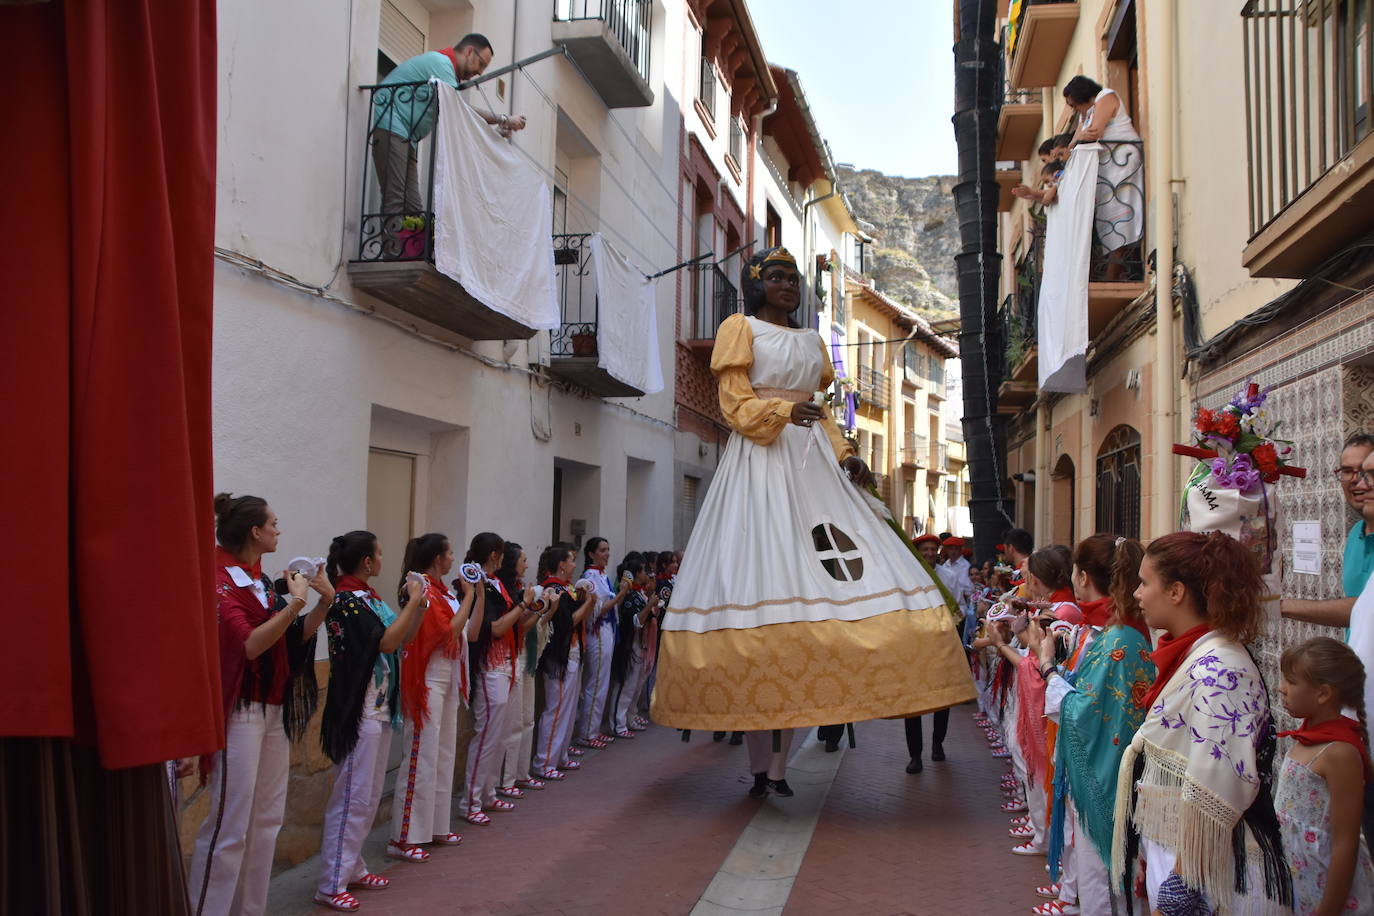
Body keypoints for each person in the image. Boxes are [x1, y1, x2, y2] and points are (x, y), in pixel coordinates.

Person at [651, 246, 975, 735]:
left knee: (849, 548)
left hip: (812, 457)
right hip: (762, 457)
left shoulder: (809, 341)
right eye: (777, 276)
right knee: (765, 549)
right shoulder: (740, 329)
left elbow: (821, 410)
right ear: (757, 284)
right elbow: (735, 405)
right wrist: (782, 413)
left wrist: (848, 454)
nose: (788, 284)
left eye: (794, 277)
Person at [1111, 531, 1291, 915]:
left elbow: (1220, 783)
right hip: (1191, 860)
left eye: (1145, 583)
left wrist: (1182, 888)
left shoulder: (1220, 668)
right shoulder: (1198, 654)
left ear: (1176, 592)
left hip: (1215, 876)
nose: (1138, 595)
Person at [190, 494, 331, 916]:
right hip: (241, 711)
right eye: (274, 523)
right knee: (229, 825)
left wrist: (322, 601)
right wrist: (297, 603)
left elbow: (289, 637)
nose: (278, 530)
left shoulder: (256, 579)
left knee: (267, 820)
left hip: (270, 706)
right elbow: (250, 645)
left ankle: (249, 909)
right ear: (255, 531)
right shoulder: (219, 579)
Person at [1031, 534, 1153, 916]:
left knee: (1100, 874)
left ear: (1083, 577)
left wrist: (1047, 663)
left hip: (1106, 776)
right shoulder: (1123, 630)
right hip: (1113, 768)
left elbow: (1081, 710)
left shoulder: (1118, 638)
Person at [314, 531, 427, 912]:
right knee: (352, 797)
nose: (382, 559)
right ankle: (331, 881)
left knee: (366, 796)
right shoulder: (346, 602)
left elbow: (403, 636)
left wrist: (420, 605)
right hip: (358, 708)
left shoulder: (369, 599)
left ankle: (352, 867)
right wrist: (412, 602)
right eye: (378, 554)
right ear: (366, 562)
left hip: (377, 708)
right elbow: (386, 643)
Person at [370, 34, 528, 246]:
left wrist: (494, 133)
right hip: (392, 126)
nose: (479, 72)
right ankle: (393, 257)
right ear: (469, 51)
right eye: (481, 63)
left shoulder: (446, 72)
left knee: (414, 207)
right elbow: (459, 111)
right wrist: (503, 119)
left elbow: (459, 119)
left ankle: (410, 254)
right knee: (396, 200)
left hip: (406, 137)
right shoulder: (442, 63)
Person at [389, 533, 477, 862]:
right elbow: (447, 631)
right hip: (427, 677)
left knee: (442, 754)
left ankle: (435, 825)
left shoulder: (443, 590)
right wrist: (469, 597)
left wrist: (470, 596)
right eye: (450, 552)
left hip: (448, 675)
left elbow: (466, 632)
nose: (454, 558)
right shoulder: (420, 586)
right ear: (437, 557)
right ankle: (403, 836)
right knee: (421, 756)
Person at [1274, 637, 1374, 916]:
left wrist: (1328, 909)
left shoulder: (1339, 753)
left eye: (1290, 682)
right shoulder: (1306, 738)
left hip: (1328, 890)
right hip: (1301, 882)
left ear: (1322, 694)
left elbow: (1346, 841)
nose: (1280, 688)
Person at [463, 533, 534, 825]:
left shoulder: (494, 584)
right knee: (488, 735)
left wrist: (531, 609)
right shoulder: (481, 584)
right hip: (491, 667)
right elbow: (494, 628)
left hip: (506, 664)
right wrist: (522, 605)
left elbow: (510, 625)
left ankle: (488, 792)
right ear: (494, 555)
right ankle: (471, 800)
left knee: (501, 733)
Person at [1284, 433, 1374, 631]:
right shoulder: (1355, 535)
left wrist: (1276, 606)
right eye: (1347, 471)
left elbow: (1365, 609)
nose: (1357, 481)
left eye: (1366, 472)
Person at [1062, 75, 1143, 281]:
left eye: (1074, 104)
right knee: (1108, 219)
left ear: (1083, 97)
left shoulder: (1105, 97)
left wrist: (1078, 140)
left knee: (1122, 214)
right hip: (1108, 167)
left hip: (1122, 159)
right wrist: (1076, 140)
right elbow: (1073, 143)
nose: (1074, 110)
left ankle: (1114, 273)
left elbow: (1093, 133)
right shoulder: (1086, 113)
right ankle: (1113, 270)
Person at [532, 548, 596, 780]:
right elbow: (569, 621)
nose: (573, 565)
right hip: (560, 655)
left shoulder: (566, 588)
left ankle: (559, 756)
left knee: (567, 708)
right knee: (556, 708)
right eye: (571, 561)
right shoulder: (553, 588)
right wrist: (588, 603)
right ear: (561, 565)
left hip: (573, 651)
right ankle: (544, 761)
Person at [497, 542, 555, 798]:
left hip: (526, 656)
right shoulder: (508, 591)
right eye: (523, 559)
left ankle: (521, 774)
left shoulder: (522, 589)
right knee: (514, 722)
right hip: (512, 658)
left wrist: (545, 610)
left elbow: (528, 625)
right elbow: (518, 628)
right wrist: (535, 608)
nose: (527, 564)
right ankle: (506, 780)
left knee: (527, 719)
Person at [575, 537, 633, 748]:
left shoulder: (601, 575)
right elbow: (598, 609)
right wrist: (621, 595)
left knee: (601, 683)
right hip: (597, 632)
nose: (607, 554)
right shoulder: (590, 577)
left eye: (608, 550)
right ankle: (587, 733)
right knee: (596, 683)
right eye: (602, 550)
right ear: (591, 554)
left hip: (607, 631)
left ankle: (593, 729)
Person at [609, 553, 660, 738]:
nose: (647, 574)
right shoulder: (631, 596)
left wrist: (653, 605)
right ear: (637, 573)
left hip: (642, 644)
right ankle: (618, 723)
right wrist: (650, 606)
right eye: (644, 571)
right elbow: (635, 621)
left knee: (636, 685)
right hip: (631, 646)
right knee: (627, 685)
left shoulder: (639, 593)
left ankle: (630, 717)